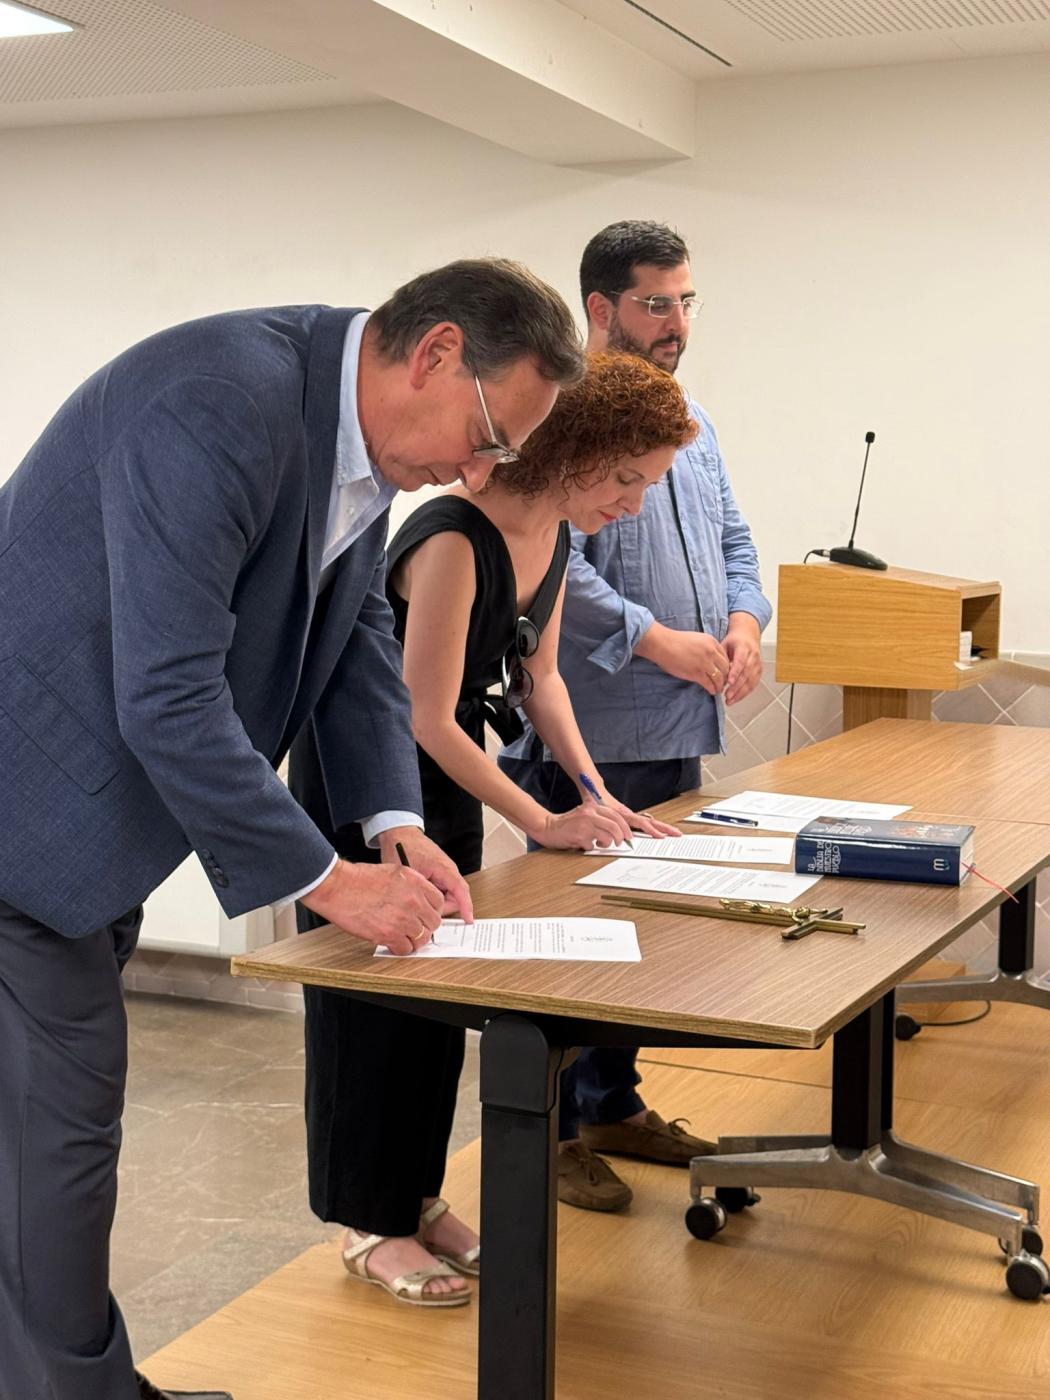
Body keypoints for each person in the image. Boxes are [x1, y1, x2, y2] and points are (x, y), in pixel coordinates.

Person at [0, 260, 584, 1400]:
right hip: (27, 820)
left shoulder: (339, 428)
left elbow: (355, 629)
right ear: (434, 354)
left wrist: (393, 816)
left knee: (34, 1148)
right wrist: (328, 877)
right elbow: (167, 693)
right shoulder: (221, 400)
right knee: (60, 1141)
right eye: (488, 437)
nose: (478, 472)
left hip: (83, 827)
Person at [289, 351, 695, 1306]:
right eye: (629, 481)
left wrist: (592, 793)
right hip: (367, 783)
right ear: (579, 450)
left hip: (450, 781)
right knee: (370, 1009)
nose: (633, 506)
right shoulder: (450, 536)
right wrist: (542, 819)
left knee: (436, 996)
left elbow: (540, 677)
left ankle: (417, 1198)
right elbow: (424, 716)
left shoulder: (552, 535)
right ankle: (365, 1218)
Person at [501, 220, 773, 1212]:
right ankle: (558, 1129)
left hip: (679, 727)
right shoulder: (562, 418)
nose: (678, 322)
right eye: (658, 303)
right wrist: (661, 639)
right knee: (579, 946)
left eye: (688, 300)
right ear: (603, 308)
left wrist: (743, 622)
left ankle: (613, 1102)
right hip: (592, 727)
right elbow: (551, 565)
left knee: (648, 938)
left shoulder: (691, 421)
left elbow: (737, 535)